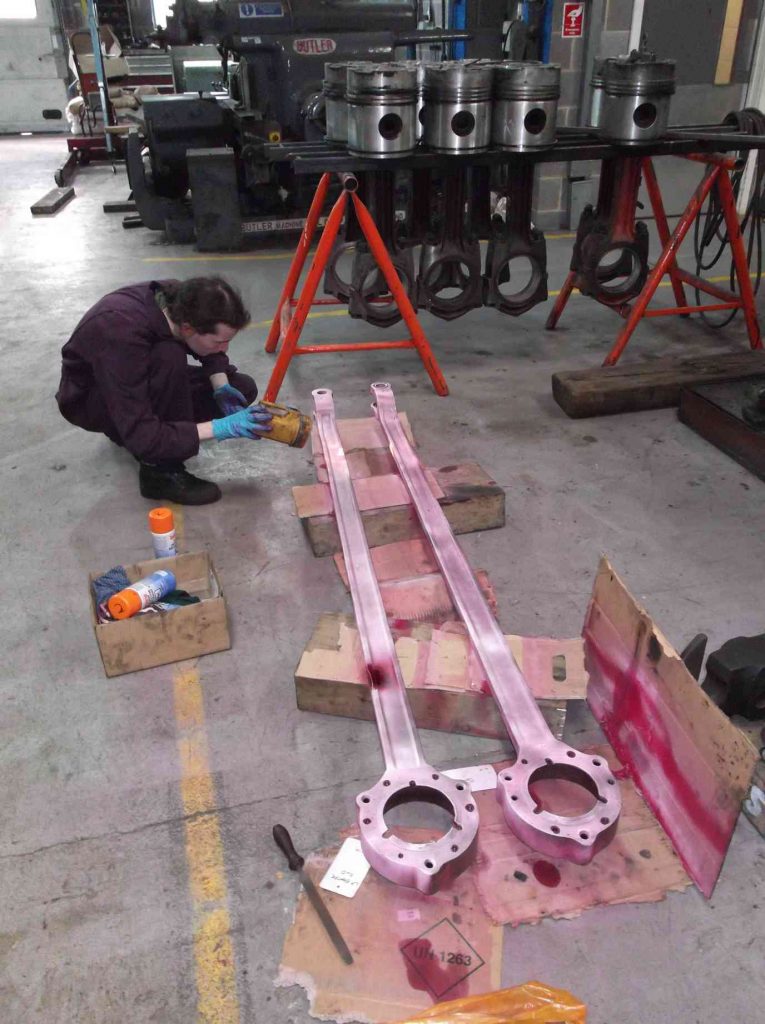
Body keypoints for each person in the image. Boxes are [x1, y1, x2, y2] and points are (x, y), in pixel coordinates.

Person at [56, 276, 273, 505]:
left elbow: (211, 354)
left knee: (242, 387)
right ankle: (159, 472)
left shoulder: (181, 300)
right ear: (188, 328)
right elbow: (143, 436)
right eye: (218, 342)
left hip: (134, 376)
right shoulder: (121, 330)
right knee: (170, 356)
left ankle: (154, 433)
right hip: (96, 399)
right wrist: (222, 427)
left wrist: (222, 387)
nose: (225, 348)